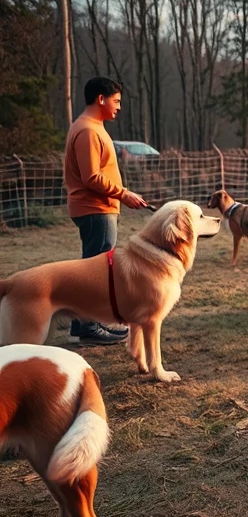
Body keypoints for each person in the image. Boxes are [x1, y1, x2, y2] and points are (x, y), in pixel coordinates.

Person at [63, 77, 148, 345]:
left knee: (95, 267)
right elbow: (91, 177)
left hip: (100, 208)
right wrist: (124, 194)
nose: (119, 107)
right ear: (101, 99)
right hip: (95, 209)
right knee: (94, 271)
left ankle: (88, 323)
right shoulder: (88, 131)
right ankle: (87, 328)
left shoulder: (93, 127)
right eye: (116, 101)